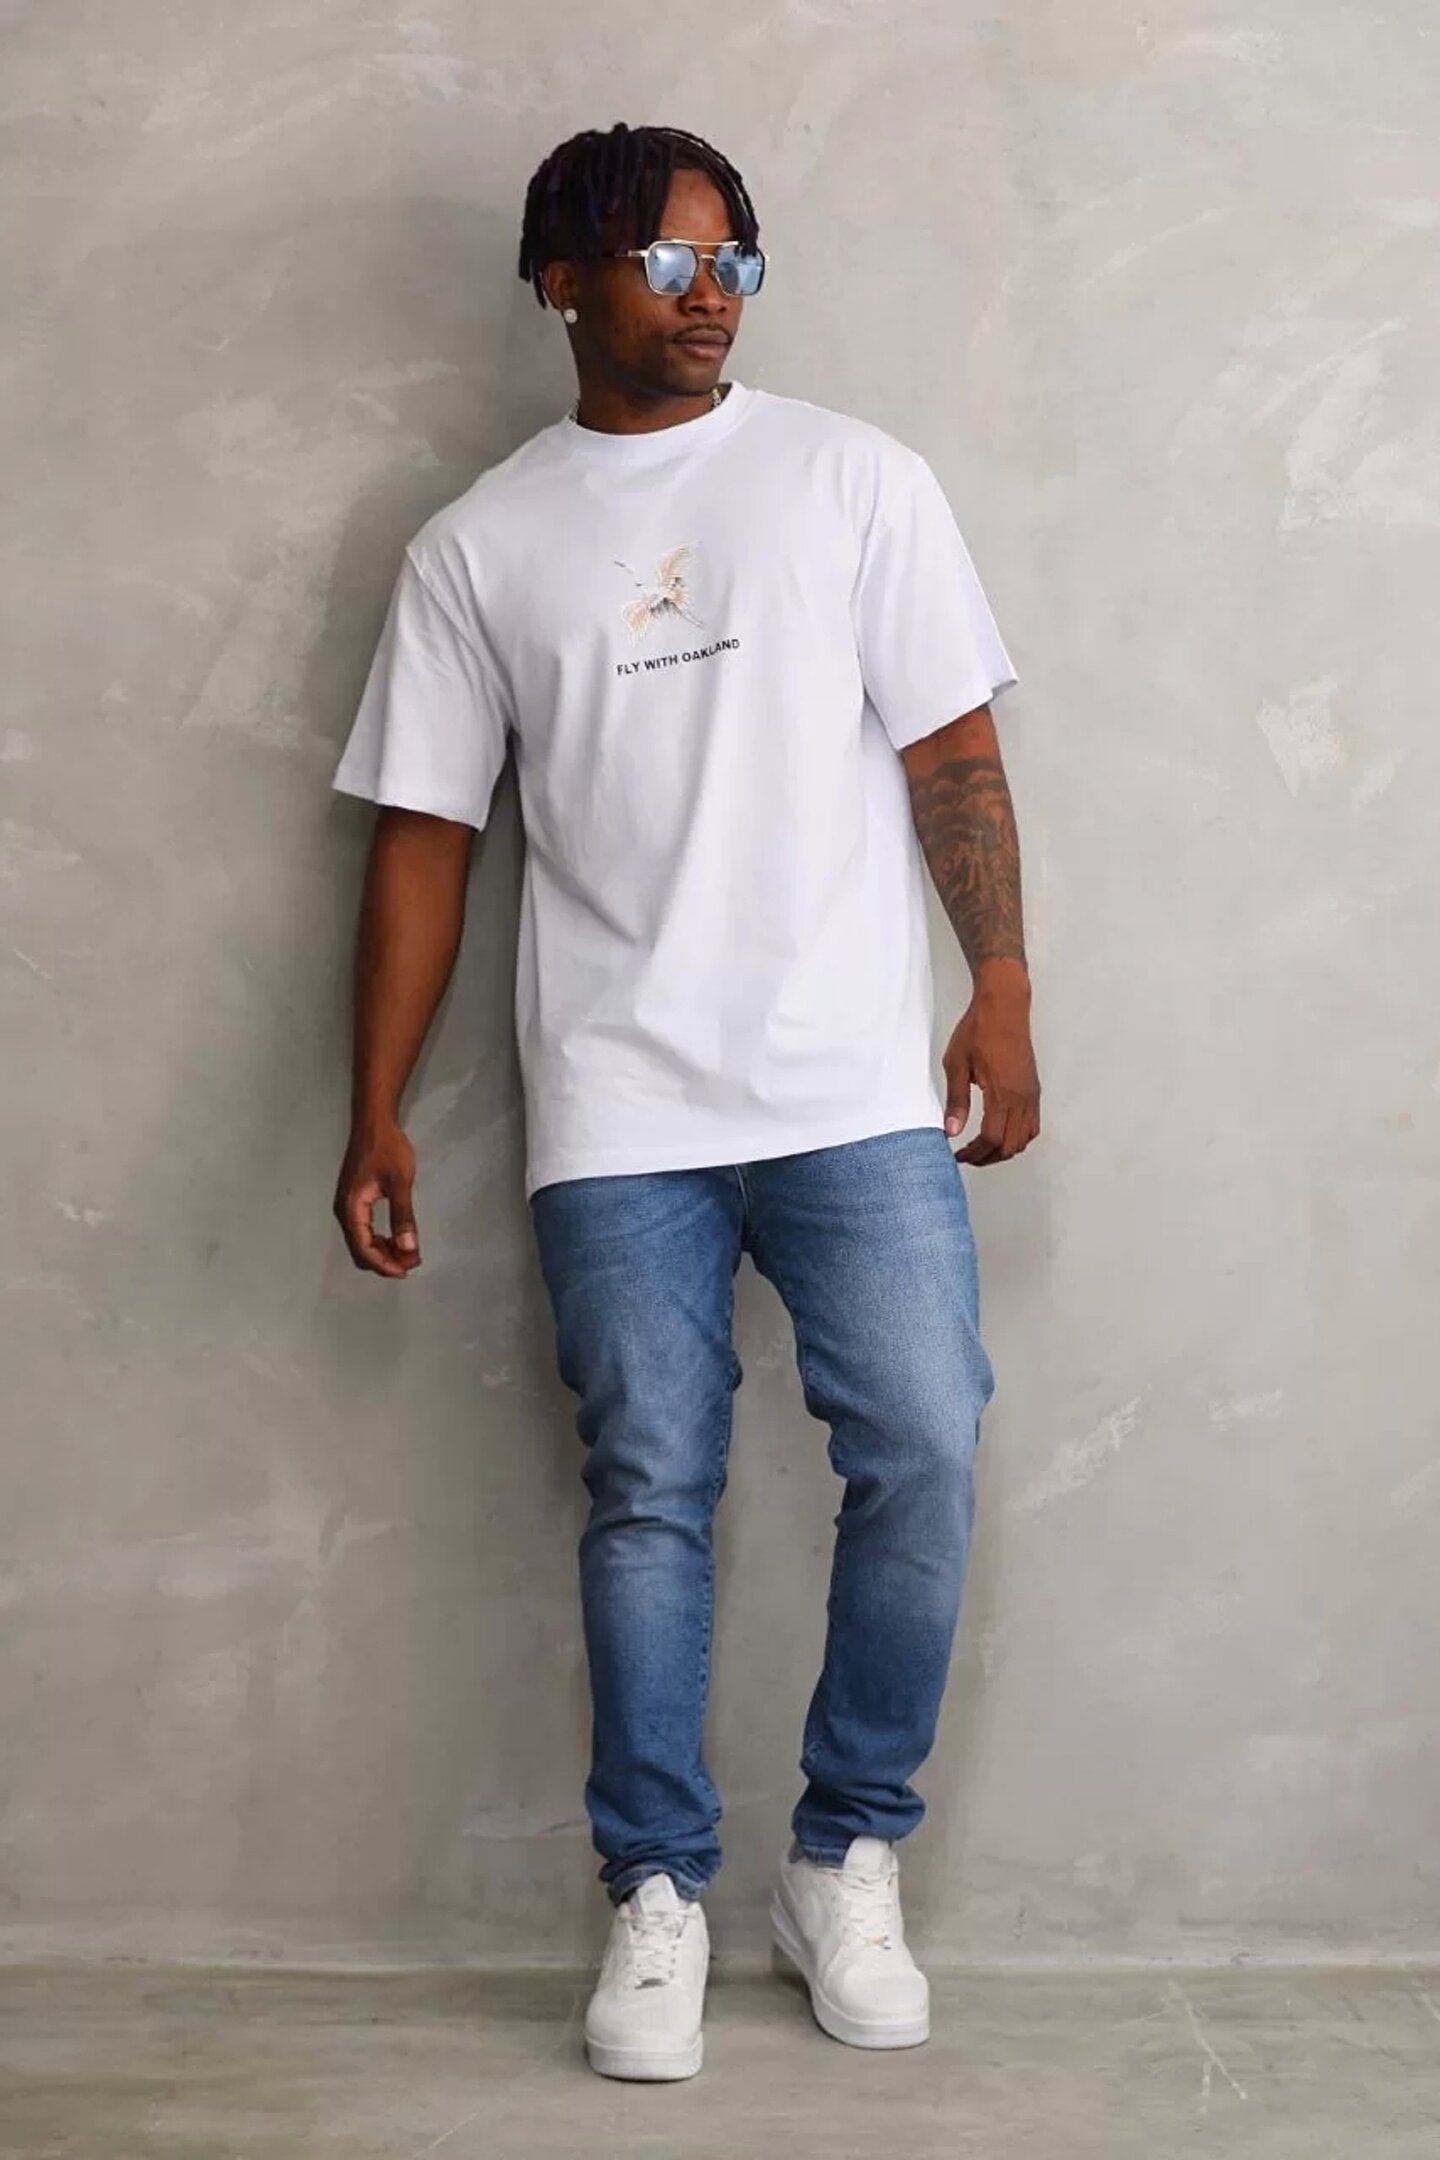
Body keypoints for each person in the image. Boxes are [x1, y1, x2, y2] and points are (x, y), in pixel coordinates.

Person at [330, 121, 1040, 2082]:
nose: (709, 293)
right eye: (663, 260)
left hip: (848, 1085)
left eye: (735, 260)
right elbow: (424, 840)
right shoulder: (480, 547)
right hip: (619, 1104)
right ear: (562, 282)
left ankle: (846, 1855)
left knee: (927, 1435)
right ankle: (655, 1892)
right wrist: (376, 1106)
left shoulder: (851, 479)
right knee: (651, 1489)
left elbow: (952, 752)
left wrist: (997, 985)